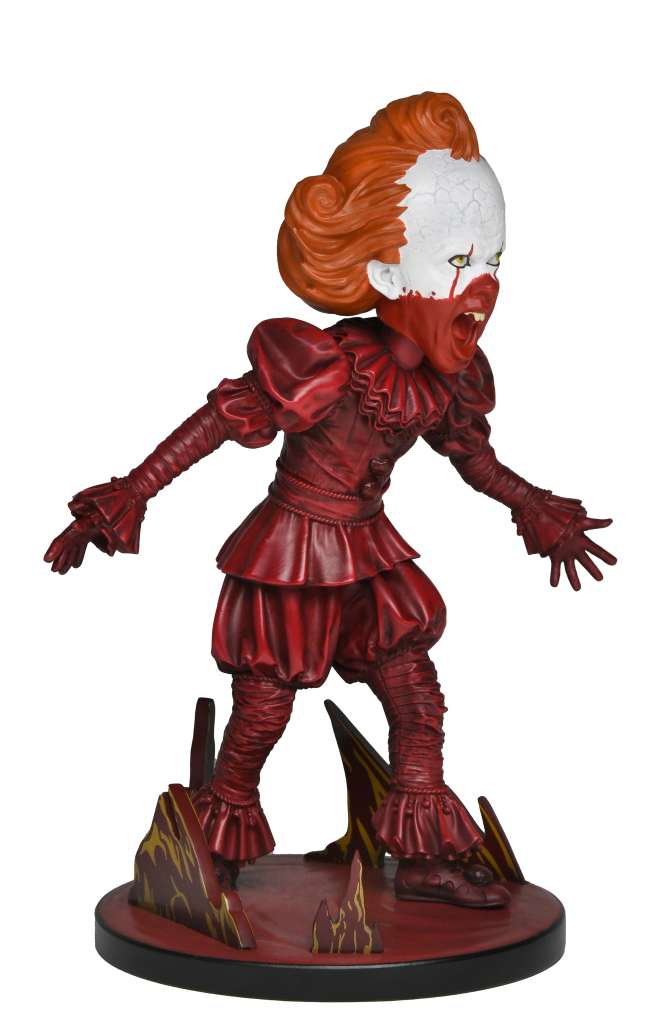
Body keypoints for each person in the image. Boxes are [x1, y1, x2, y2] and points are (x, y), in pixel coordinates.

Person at [45, 92, 615, 908]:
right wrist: (131, 494)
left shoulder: (443, 381)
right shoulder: (328, 363)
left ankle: (422, 860)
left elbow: (472, 458)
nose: (483, 283)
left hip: (367, 552)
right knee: (264, 709)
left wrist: (534, 506)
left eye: (493, 256)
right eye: (457, 259)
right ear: (385, 272)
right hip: (292, 549)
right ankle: (217, 847)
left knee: (416, 694)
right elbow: (221, 419)